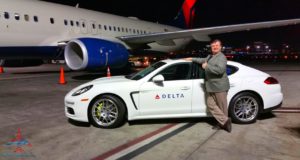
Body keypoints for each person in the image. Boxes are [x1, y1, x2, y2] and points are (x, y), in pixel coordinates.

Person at [184, 39, 231, 132]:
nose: (215, 47)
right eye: (213, 46)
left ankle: (223, 124)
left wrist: (207, 67)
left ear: (220, 47)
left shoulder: (222, 57)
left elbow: (220, 70)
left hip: (219, 87)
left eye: (217, 45)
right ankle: (225, 121)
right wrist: (191, 58)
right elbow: (202, 60)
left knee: (222, 107)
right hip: (211, 86)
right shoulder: (210, 56)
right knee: (210, 105)